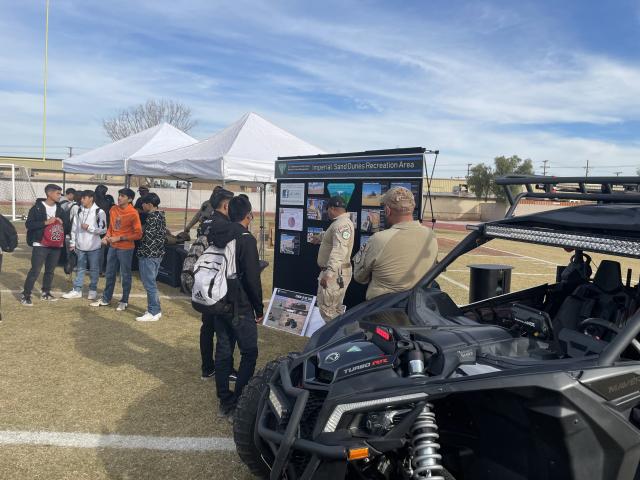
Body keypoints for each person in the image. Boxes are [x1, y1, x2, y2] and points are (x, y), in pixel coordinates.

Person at [209, 195, 263, 420]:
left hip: (218, 301)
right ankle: (240, 400)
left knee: (223, 351)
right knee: (249, 351)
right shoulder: (245, 238)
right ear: (248, 215)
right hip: (239, 303)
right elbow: (252, 278)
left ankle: (225, 401)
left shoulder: (216, 232)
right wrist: (258, 309)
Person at [353, 186, 438, 300]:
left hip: (383, 311)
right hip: (418, 307)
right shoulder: (431, 235)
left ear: (387, 211)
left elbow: (359, 277)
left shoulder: (379, 239)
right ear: (412, 208)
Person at [199, 187, 235, 380]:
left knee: (207, 327)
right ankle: (225, 369)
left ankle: (207, 367)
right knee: (222, 328)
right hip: (219, 283)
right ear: (226, 204)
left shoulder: (206, 221)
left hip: (204, 281)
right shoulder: (225, 224)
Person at [91, 188, 142, 311]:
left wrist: (119, 238)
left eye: (123, 196)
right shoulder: (113, 209)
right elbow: (111, 227)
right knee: (109, 274)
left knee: (125, 275)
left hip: (126, 249)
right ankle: (106, 299)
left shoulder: (133, 213)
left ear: (129, 199)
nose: (119, 198)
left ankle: (124, 300)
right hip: (113, 247)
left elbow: (138, 234)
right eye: (119, 195)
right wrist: (107, 237)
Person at [21, 184, 66, 306]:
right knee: (35, 270)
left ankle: (46, 292)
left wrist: (62, 222)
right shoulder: (37, 208)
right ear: (49, 193)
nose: (60, 196)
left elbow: (66, 226)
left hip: (55, 244)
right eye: (58, 193)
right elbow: (29, 225)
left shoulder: (60, 209)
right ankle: (26, 295)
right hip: (40, 244)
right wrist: (46, 222)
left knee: (50, 271)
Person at [311, 196, 355, 321]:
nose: (327, 213)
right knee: (335, 309)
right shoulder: (341, 223)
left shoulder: (341, 224)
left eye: (327, 210)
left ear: (332, 208)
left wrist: (329, 273)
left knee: (328, 310)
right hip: (338, 272)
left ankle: (334, 338)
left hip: (335, 273)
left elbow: (339, 250)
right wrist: (320, 237)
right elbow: (334, 238)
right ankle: (338, 336)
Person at [62, 190, 107, 300]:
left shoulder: (99, 212)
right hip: (80, 246)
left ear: (91, 198)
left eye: (84, 198)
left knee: (94, 269)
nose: (81, 200)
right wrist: (73, 243)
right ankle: (77, 290)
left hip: (94, 246)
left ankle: (93, 290)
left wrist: (89, 228)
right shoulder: (78, 211)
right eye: (81, 198)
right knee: (80, 268)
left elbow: (103, 230)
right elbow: (74, 228)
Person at [135, 192, 166, 322]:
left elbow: (147, 237)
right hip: (157, 254)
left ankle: (153, 311)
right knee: (151, 283)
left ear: (149, 204)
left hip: (148, 254)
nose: (142, 205)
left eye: (144, 203)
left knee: (149, 284)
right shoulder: (160, 216)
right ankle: (156, 309)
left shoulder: (152, 218)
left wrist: (139, 231)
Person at [94, 184, 115, 275]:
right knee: (101, 250)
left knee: (95, 249)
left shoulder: (93, 200)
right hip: (103, 227)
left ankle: (96, 269)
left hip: (94, 227)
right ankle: (100, 270)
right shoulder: (106, 202)